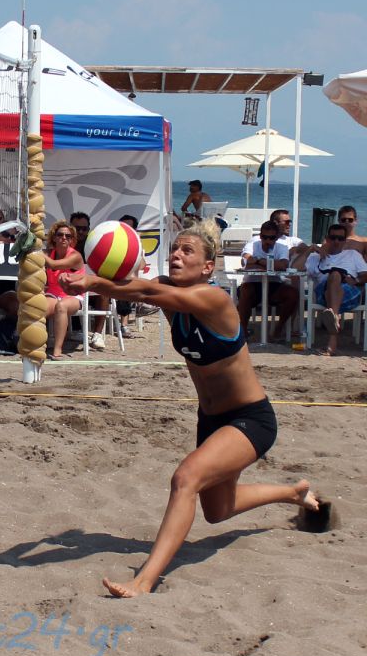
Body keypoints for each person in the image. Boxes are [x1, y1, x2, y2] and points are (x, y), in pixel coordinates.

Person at [60, 220, 319, 598]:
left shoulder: (214, 300)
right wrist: (77, 270)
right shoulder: (171, 297)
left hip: (250, 418)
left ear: (208, 267)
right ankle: (292, 493)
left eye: (188, 251)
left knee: (185, 479)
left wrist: (93, 283)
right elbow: (137, 285)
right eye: (175, 249)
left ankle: (144, 580)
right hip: (210, 420)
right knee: (218, 510)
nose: (177, 255)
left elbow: (145, 289)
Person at [292, 223, 367, 356]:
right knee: (334, 275)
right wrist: (310, 249)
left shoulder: (353, 255)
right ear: (327, 238)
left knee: (336, 275)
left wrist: (357, 280)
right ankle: (334, 324)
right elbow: (294, 269)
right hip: (323, 294)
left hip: (349, 292)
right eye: (333, 238)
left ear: (345, 240)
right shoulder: (316, 257)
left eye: (340, 238)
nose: (336, 241)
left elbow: (365, 274)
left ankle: (333, 318)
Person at [237, 221, 298, 340]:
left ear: (276, 238)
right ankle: (243, 331)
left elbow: (283, 265)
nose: (268, 241)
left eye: (271, 238)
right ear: (260, 236)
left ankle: (278, 329)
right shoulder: (253, 244)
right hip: (252, 283)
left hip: (274, 284)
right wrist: (269, 264)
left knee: (293, 294)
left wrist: (259, 261)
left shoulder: (282, 247)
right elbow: (246, 261)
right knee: (245, 290)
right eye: (265, 237)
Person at [44, 220, 85, 360]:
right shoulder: (49, 253)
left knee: (61, 306)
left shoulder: (75, 256)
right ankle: (36, 344)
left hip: (74, 294)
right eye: (60, 234)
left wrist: (35, 250)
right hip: (53, 293)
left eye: (68, 236)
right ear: (54, 237)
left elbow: (54, 265)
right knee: (37, 307)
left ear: (72, 240)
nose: (64, 238)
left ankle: (57, 349)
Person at [69, 211, 108, 349]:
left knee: (103, 291)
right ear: (70, 228)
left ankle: (97, 334)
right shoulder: (63, 243)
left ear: (88, 229)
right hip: (71, 289)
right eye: (77, 228)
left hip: (90, 289)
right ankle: (76, 329)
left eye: (84, 229)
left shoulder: (95, 245)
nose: (80, 231)